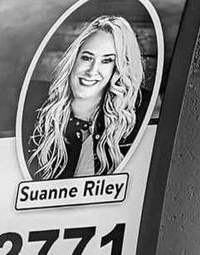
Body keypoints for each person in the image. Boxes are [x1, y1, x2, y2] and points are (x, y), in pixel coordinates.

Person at [27, 14, 145, 180]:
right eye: (87, 57)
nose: (92, 71)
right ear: (74, 59)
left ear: (118, 69)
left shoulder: (132, 125)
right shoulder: (34, 111)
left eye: (107, 61)